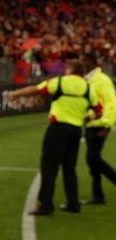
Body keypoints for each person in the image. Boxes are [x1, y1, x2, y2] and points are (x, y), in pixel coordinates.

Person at [10, 60, 102, 215]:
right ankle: (73, 204)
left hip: (58, 128)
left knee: (49, 166)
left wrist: (16, 94)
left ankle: (46, 205)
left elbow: (36, 89)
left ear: (71, 69)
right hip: (76, 130)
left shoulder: (60, 81)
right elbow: (99, 110)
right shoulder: (88, 87)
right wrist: (87, 118)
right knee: (69, 168)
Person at [82, 53, 116, 204]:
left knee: (93, 158)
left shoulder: (103, 80)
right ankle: (98, 196)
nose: (83, 64)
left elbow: (111, 103)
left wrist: (106, 124)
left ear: (91, 62)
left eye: (84, 61)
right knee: (92, 162)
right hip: (90, 124)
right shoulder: (85, 80)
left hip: (100, 124)